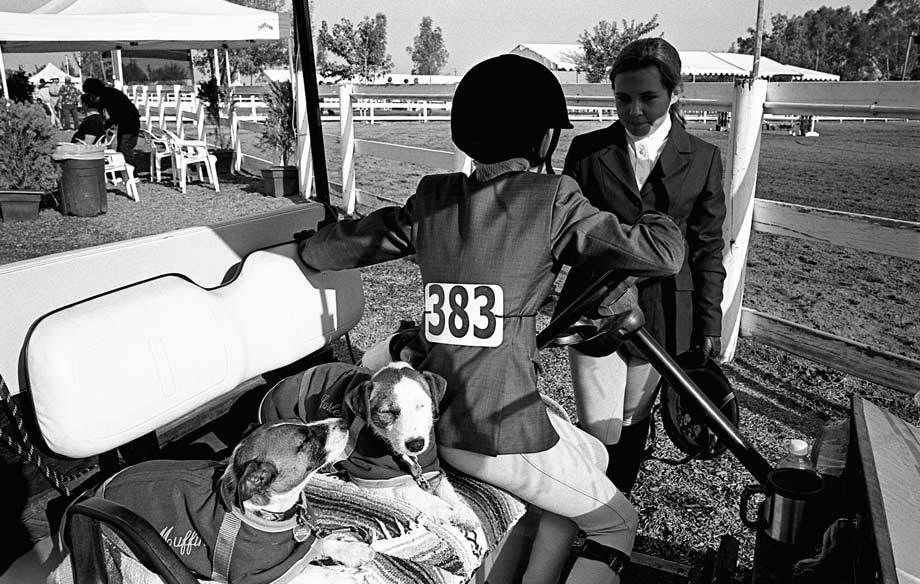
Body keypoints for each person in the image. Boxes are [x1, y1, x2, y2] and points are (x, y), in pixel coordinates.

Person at [296, 54, 686, 584]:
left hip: (441, 411)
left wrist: (309, 246)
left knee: (592, 456)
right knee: (618, 522)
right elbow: (662, 255)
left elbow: (337, 247)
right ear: (543, 138)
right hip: (500, 428)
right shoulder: (552, 200)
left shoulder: (433, 198)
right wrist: (658, 211)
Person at [556, 38, 727, 497]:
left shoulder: (705, 158)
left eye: (648, 97)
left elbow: (707, 247)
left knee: (632, 421)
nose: (633, 110)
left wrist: (709, 322)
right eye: (623, 98)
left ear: (675, 93)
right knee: (599, 427)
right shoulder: (587, 151)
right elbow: (564, 230)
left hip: (665, 310)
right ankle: (593, 510)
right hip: (595, 304)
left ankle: (615, 512)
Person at [82, 78, 140, 165]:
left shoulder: (108, 95)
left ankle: (130, 169)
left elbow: (116, 113)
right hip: (124, 121)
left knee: (125, 147)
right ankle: (124, 168)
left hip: (130, 121)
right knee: (121, 147)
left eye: (90, 93)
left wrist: (105, 125)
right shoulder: (105, 94)